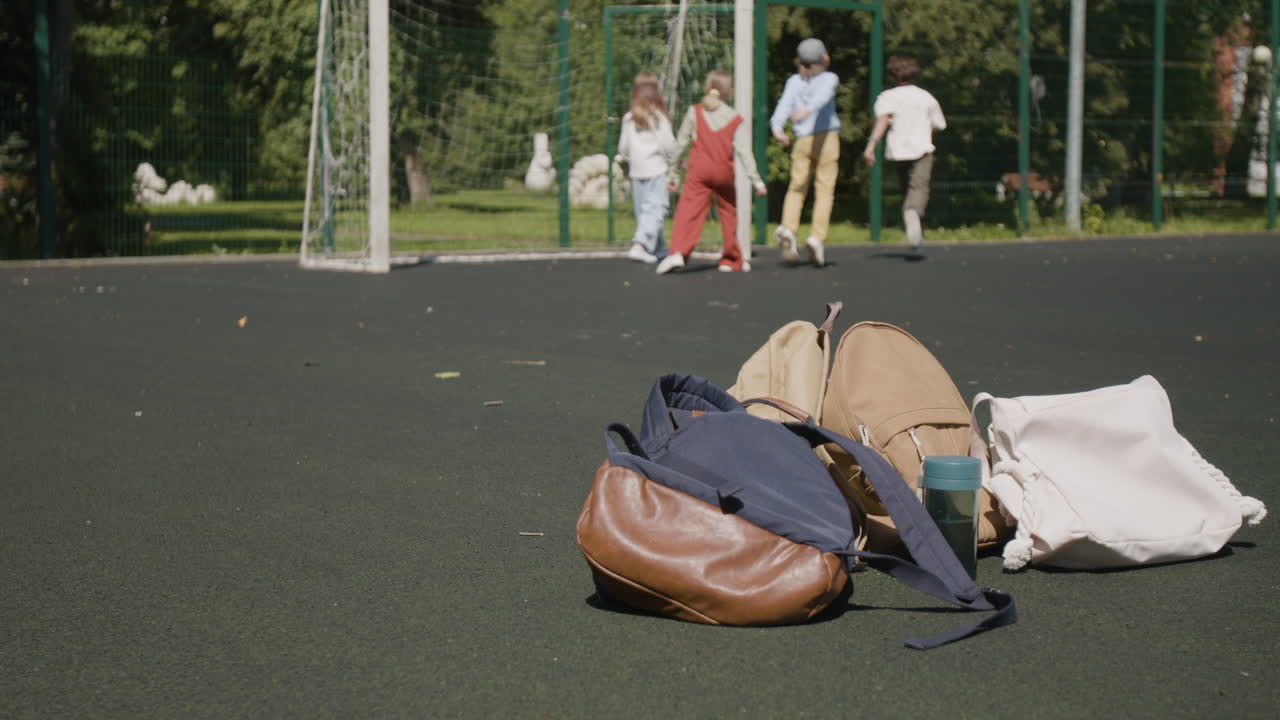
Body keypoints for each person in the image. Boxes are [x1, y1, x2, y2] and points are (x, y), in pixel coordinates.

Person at [656, 70, 767, 275]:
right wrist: (757, 181)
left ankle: (678, 251)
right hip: (724, 172)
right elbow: (744, 152)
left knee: (689, 211)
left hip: (699, 171)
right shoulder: (735, 118)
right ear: (728, 92)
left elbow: (680, 144)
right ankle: (731, 259)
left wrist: (673, 173)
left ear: (707, 87)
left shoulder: (695, 112)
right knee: (729, 213)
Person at [863, 55, 946, 253]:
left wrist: (871, 144)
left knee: (906, 188)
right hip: (922, 149)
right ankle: (913, 215)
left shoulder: (887, 97)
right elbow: (939, 124)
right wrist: (926, 132)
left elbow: (883, 119)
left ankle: (912, 225)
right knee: (919, 187)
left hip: (898, 150)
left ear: (892, 76)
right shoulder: (926, 97)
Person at [770, 37, 840, 267]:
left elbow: (784, 104)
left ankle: (789, 228)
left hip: (802, 139)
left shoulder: (794, 81)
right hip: (826, 137)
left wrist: (777, 127)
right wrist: (809, 110)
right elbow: (823, 96)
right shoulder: (830, 77)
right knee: (825, 188)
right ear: (824, 58)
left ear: (799, 61)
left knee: (797, 186)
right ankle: (816, 237)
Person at [616, 72, 676, 264]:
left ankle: (656, 247)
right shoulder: (659, 118)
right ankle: (640, 245)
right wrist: (675, 161)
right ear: (655, 93)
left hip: (636, 172)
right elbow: (669, 146)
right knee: (657, 209)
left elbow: (623, 148)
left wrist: (630, 158)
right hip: (656, 171)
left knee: (645, 211)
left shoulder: (628, 118)